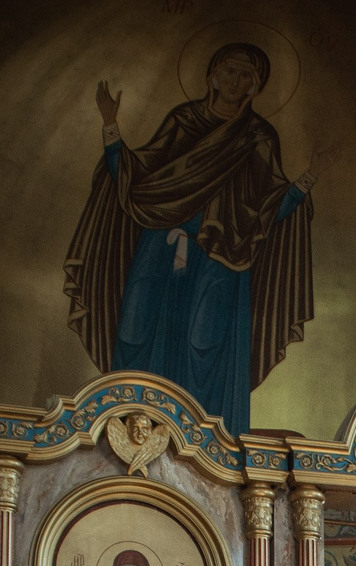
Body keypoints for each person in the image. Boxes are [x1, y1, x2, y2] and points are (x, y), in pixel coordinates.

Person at [62, 43, 319, 428]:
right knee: (135, 328)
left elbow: (269, 211)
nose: (236, 81)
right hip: (160, 245)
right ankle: (128, 422)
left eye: (246, 75)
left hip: (222, 255)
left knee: (206, 342)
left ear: (256, 85)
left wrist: (309, 177)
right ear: (212, 75)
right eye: (230, 71)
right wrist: (110, 125)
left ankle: (205, 442)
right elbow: (137, 180)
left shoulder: (257, 137)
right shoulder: (183, 120)